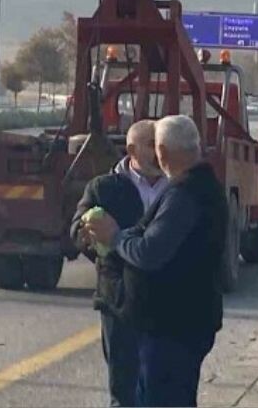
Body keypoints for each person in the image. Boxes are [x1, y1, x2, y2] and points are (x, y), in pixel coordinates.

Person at [86, 115, 227, 407]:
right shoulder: (198, 186)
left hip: (174, 328)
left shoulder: (185, 193)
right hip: (172, 322)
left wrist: (115, 237)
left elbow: (149, 252)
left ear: (162, 151)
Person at [71, 120, 168, 407]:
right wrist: (94, 239)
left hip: (166, 302)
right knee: (125, 391)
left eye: (161, 145)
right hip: (120, 302)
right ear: (131, 149)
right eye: (151, 145)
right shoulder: (104, 187)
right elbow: (78, 230)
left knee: (164, 388)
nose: (158, 153)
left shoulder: (176, 187)